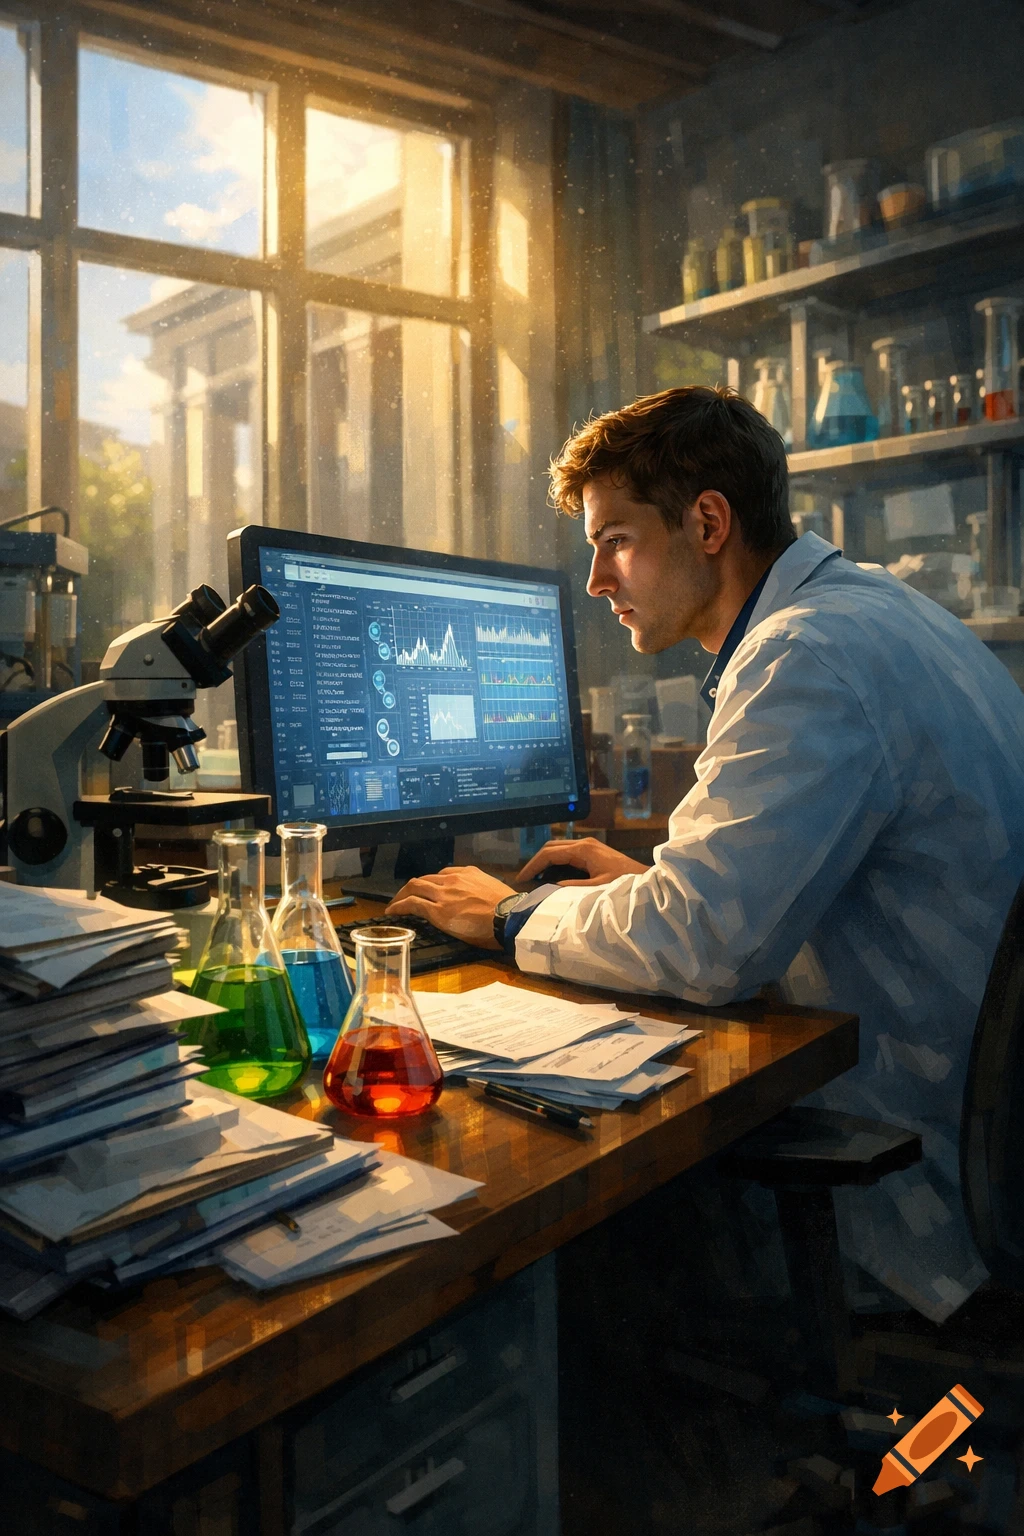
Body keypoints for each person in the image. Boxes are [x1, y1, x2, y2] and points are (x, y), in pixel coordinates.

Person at [387, 385, 1024, 1322]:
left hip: (899, 1179)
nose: (598, 579)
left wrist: (507, 915)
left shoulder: (806, 656)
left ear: (709, 522)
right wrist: (653, 886)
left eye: (615, 540)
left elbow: (705, 945)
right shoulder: (880, 612)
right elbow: (769, 891)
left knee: (553, 1239)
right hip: (986, 1141)